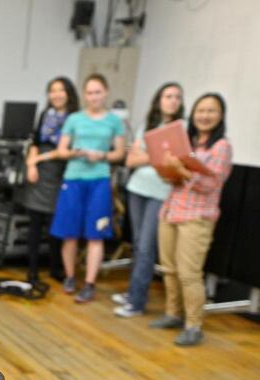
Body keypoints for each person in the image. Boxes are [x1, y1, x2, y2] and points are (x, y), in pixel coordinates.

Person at [149, 93, 232, 346]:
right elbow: (171, 178)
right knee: (169, 269)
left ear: (220, 116)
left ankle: (194, 325)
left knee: (189, 273)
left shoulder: (221, 147)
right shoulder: (186, 143)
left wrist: (182, 170)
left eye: (211, 111)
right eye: (200, 111)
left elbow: (212, 184)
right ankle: (173, 314)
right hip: (171, 211)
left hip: (196, 217)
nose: (204, 116)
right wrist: (167, 168)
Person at [52, 73, 126, 303]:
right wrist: (77, 152)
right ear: (84, 95)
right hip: (73, 178)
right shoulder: (74, 119)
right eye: (90, 92)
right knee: (70, 233)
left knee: (96, 235)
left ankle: (90, 283)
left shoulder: (115, 121)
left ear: (106, 93)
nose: (94, 96)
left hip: (99, 180)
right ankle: (71, 277)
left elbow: (120, 153)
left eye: (98, 92)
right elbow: (61, 150)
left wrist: (101, 154)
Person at [113, 82, 185, 317]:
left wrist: (147, 156)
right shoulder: (149, 125)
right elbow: (131, 161)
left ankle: (136, 301)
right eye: (168, 96)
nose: (173, 100)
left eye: (177, 97)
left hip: (161, 193)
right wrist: (157, 157)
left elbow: (176, 164)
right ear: (159, 100)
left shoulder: (182, 129)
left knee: (146, 247)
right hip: (137, 188)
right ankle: (133, 291)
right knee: (137, 243)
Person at [23, 76, 79, 283]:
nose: (56, 95)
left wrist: (38, 158)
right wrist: (31, 164)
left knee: (57, 224)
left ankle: (56, 268)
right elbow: (36, 141)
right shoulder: (45, 114)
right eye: (52, 90)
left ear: (69, 93)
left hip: (62, 171)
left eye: (61, 90)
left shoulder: (75, 118)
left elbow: (67, 150)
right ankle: (32, 270)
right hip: (40, 170)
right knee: (35, 224)